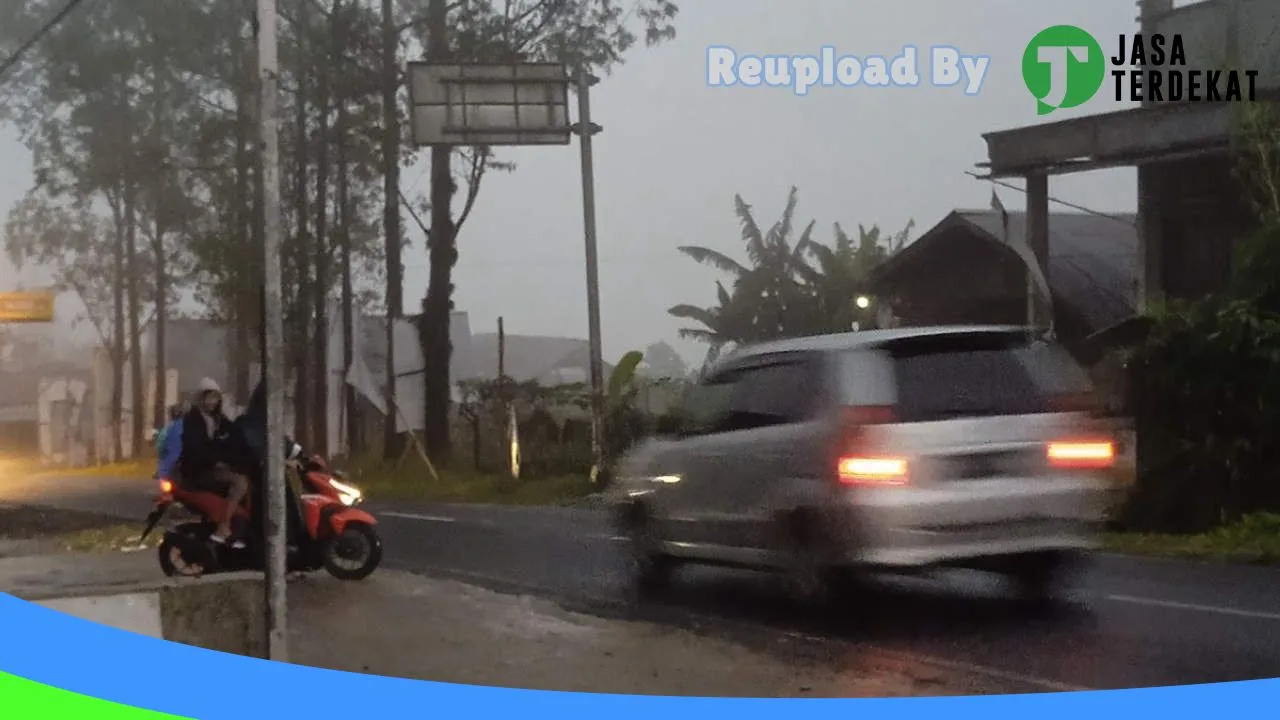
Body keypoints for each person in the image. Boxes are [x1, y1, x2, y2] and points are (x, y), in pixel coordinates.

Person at [179, 378, 251, 549]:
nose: (211, 402)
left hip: (214, 467)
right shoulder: (193, 420)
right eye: (208, 397)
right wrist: (216, 461)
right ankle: (223, 527)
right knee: (240, 483)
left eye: (215, 398)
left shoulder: (218, 419)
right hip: (198, 471)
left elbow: (234, 436)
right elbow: (196, 448)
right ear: (200, 398)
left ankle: (239, 532)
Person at [155, 404, 185, 482]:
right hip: (186, 465)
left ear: (171, 415)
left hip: (168, 467)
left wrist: (162, 456)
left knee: (164, 482)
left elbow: (160, 447)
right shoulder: (188, 427)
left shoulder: (167, 429)